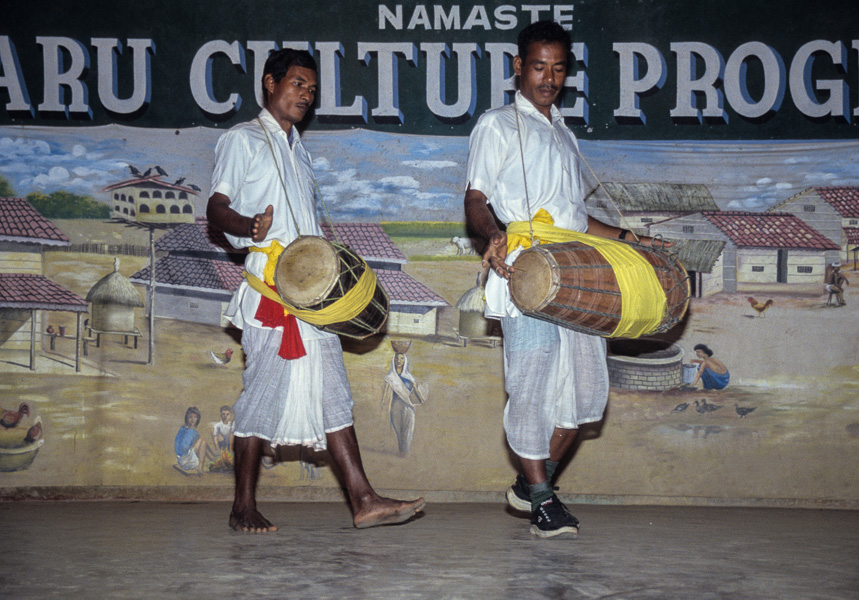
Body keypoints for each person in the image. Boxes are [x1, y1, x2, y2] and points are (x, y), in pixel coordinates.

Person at [206, 48, 425, 533]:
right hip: (271, 289)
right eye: (297, 84)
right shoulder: (242, 140)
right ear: (270, 83)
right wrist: (251, 226)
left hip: (312, 295)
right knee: (261, 393)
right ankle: (242, 505)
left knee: (332, 390)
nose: (306, 93)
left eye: (311, 87)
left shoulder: (298, 150)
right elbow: (215, 210)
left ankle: (363, 499)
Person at [464, 21, 666, 538]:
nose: (548, 77)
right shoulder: (497, 124)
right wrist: (491, 234)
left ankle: (533, 482)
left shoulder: (564, 131)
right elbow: (476, 197)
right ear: (518, 67)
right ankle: (542, 500)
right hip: (527, 270)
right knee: (529, 386)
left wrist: (625, 237)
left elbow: (576, 219)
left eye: (558, 68)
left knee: (584, 397)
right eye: (538, 66)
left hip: (575, 270)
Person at [382, 351, 427, 455]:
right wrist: (383, 404)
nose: (399, 361)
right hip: (395, 405)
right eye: (397, 358)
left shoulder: (408, 377)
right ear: (393, 360)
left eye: (401, 358)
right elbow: (386, 393)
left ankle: (405, 451)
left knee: (408, 427)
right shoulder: (390, 377)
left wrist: (422, 401)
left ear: (405, 361)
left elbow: (416, 390)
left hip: (408, 405)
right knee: (397, 428)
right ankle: (401, 448)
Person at [174, 407, 218, 475]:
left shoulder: (182, 428)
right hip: (188, 462)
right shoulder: (193, 432)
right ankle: (200, 469)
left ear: (197, 419)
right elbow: (204, 446)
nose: (193, 420)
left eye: (195, 417)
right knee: (203, 439)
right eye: (190, 417)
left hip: (180, 461)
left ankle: (211, 457)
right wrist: (211, 456)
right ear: (186, 418)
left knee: (202, 442)